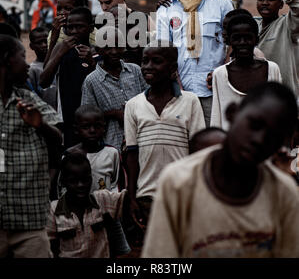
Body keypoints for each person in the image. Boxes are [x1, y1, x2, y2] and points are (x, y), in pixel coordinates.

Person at [142, 82, 299, 258]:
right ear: (232, 113)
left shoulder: (284, 193)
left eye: (273, 136)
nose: (259, 140)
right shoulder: (179, 182)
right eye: (254, 125)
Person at [124, 40, 205, 234]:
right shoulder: (133, 105)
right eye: (145, 61)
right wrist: (133, 198)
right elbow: (132, 155)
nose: (148, 67)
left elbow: (197, 152)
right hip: (147, 196)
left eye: (156, 61)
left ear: (172, 67)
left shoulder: (190, 101)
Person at [156, 0, 234, 126]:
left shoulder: (221, 3)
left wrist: (222, 71)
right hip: (179, 93)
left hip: (214, 92)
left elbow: (234, 43)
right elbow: (163, 51)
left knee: (214, 142)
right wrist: (175, 82)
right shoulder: (165, 10)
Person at [0, 35, 62, 258]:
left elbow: (58, 138)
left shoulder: (28, 99)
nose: (27, 64)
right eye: (20, 57)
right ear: (7, 60)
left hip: (29, 220)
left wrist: (40, 125)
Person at [47, 152, 127, 258]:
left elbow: (129, 200)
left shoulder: (102, 200)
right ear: (63, 182)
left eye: (85, 180)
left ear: (91, 179)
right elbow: (51, 248)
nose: (80, 185)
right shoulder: (53, 210)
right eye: (73, 181)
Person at [81, 26, 147, 152]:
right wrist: (113, 113)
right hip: (112, 145)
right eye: (108, 48)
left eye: (118, 46)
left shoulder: (135, 70)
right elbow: (87, 117)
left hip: (142, 139)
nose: (114, 51)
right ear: (98, 50)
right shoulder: (92, 81)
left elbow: (150, 99)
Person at [210, 14, 281, 129]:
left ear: (256, 39)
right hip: (233, 144)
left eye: (248, 37)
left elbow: (279, 113)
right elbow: (216, 117)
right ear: (229, 41)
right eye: (237, 38)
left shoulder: (272, 69)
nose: (243, 42)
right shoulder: (220, 74)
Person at [40, 7, 98, 148]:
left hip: (94, 119)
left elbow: (102, 84)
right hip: (69, 118)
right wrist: (60, 53)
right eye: (70, 27)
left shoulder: (97, 51)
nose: (73, 31)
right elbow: (43, 81)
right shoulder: (62, 48)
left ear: (90, 28)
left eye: (79, 27)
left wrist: (92, 63)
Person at [255, 0, 299, 97]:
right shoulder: (252, 25)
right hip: (258, 94)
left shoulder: (287, 24)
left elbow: (297, 5)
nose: (265, 3)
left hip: (285, 96)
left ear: (281, 5)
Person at [68, 105, 121, 193]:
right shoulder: (69, 155)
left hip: (106, 204)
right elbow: (63, 187)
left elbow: (117, 185)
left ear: (104, 128)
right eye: (86, 127)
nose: (92, 130)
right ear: (76, 129)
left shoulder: (112, 153)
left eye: (97, 126)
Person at [45, 0, 97, 65]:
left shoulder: (94, 34)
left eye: (68, 8)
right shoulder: (55, 33)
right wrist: (53, 39)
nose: (62, 12)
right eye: (59, 9)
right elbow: (47, 67)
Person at [28, 27, 57, 109]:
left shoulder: (59, 63)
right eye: (39, 43)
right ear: (31, 46)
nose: (44, 45)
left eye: (46, 41)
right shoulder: (32, 70)